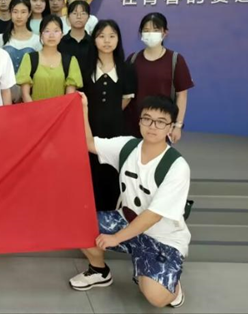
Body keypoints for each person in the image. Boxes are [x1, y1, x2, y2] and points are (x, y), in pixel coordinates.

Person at [69, 94, 190, 309]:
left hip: (162, 238)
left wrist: (116, 238)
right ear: (139, 121)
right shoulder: (127, 146)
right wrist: (83, 108)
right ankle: (99, 271)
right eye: (147, 119)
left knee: (156, 298)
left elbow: (153, 216)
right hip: (126, 220)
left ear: (170, 127)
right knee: (77, 222)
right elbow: (89, 143)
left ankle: (171, 287)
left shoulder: (177, 167)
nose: (152, 126)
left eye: (161, 122)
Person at [84, 20, 136, 211]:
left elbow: (126, 98)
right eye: (101, 36)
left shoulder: (126, 69)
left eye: (112, 36)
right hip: (89, 130)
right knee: (90, 173)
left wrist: (110, 112)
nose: (107, 41)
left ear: (118, 40)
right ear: (94, 40)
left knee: (112, 173)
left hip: (116, 130)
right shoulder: (84, 67)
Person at [124, 13, 194, 143]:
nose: (150, 34)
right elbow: (125, 94)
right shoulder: (133, 59)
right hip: (133, 126)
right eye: (146, 30)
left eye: (156, 30)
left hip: (162, 126)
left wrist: (177, 125)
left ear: (165, 33)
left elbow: (182, 95)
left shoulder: (175, 60)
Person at [17, 14, 82, 102]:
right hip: (33, 109)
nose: (51, 35)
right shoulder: (29, 58)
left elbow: (69, 98)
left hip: (61, 110)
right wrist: (36, 110)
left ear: (62, 35)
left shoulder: (70, 61)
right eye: (47, 31)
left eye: (56, 31)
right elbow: (25, 94)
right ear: (41, 35)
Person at [0, 0, 42, 73]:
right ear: (10, 13)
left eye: (23, 12)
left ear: (29, 13)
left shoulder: (37, 40)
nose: (19, 16)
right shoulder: (0, 38)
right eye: (15, 12)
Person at [58, 0, 93, 73]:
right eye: (74, 13)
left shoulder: (93, 43)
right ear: (68, 17)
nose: (79, 17)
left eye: (83, 13)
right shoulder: (60, 42)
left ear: (88, 17)